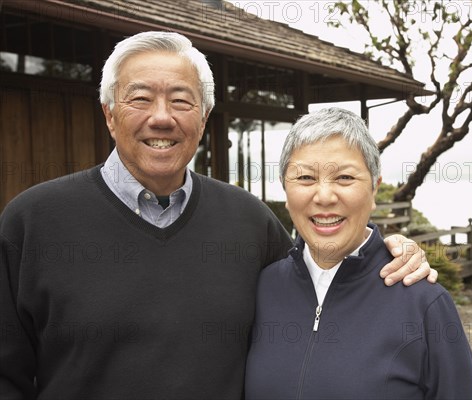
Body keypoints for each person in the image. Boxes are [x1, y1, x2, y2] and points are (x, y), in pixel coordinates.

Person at [0, 32, 436, 399]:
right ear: (110, 115)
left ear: (204, 117)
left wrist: (386, 251)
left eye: (181, 101)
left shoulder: (250, 222)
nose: (161, 117)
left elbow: (319, 282)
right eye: (140, 98)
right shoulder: (32, 223)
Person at [245, 107, 472, 399]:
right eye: (305, 178)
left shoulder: (424, 303)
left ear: (374, 189)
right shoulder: (264, 288)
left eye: (344, 177)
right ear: (285, 190)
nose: (325, 197)